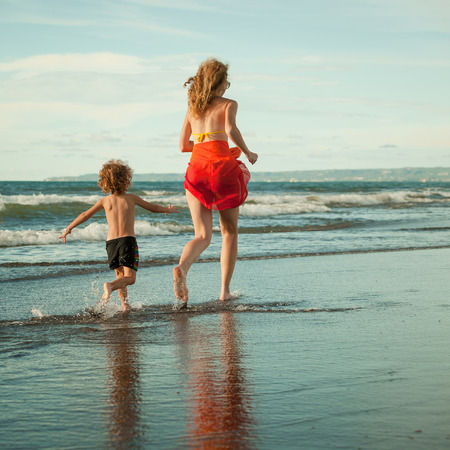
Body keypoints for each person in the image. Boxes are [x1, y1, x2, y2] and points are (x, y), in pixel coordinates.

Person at [173, 58, 258, 309]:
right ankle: (224, 292)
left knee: (202, 235)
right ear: (219, 83)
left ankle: (182, 267)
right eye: (226, 82)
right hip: (222, 169)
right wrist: (247, 151)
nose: (227, 86)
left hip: (197, 170)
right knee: (229, 232)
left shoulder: (192, 108)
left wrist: (207, 146)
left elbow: (183, 146)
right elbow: (231, 129)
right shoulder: (229, 104)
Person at [60, 159, 178, 311]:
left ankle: (125, 306)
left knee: (120, 276)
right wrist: (167, 210)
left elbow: (84, 215)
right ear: (126, 179)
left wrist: (69, 228)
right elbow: (153, 208)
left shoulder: (104, 201)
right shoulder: (131, 198)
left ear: (105, 182)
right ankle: (109, 286)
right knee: (130, 279)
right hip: (127, 241)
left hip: (111, 243)